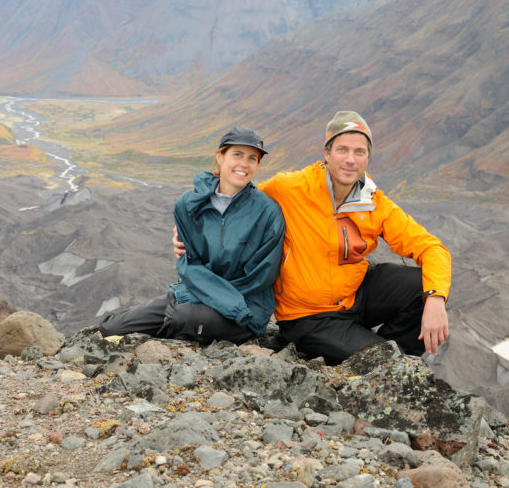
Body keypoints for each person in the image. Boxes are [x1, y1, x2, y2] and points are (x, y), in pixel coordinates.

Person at [173, 111, 451, 363]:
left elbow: (432, 248)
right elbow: (237, 197)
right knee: (381, 360)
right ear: (327, 153)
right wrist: (192, 227)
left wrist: (436, 299)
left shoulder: (374, 202)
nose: (350, 159)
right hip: (307, 315)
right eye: (342, 149)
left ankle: (399, 359)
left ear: (368, 158)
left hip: (355, 295)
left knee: (422, 287)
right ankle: (383, 359)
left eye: (359, 152)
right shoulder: (290, 188)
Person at [99, 127, 285, 345]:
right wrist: (193, 295)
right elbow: (189, 264)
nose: (244, 164)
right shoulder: (188, 204)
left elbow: (259, 278)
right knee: (112, 327)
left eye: (252, 158)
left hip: (244, 309)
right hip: (195, 293)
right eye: (237, 155)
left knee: (180, 317)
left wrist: (204, 298)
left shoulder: (268, 212)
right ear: (220, 156)